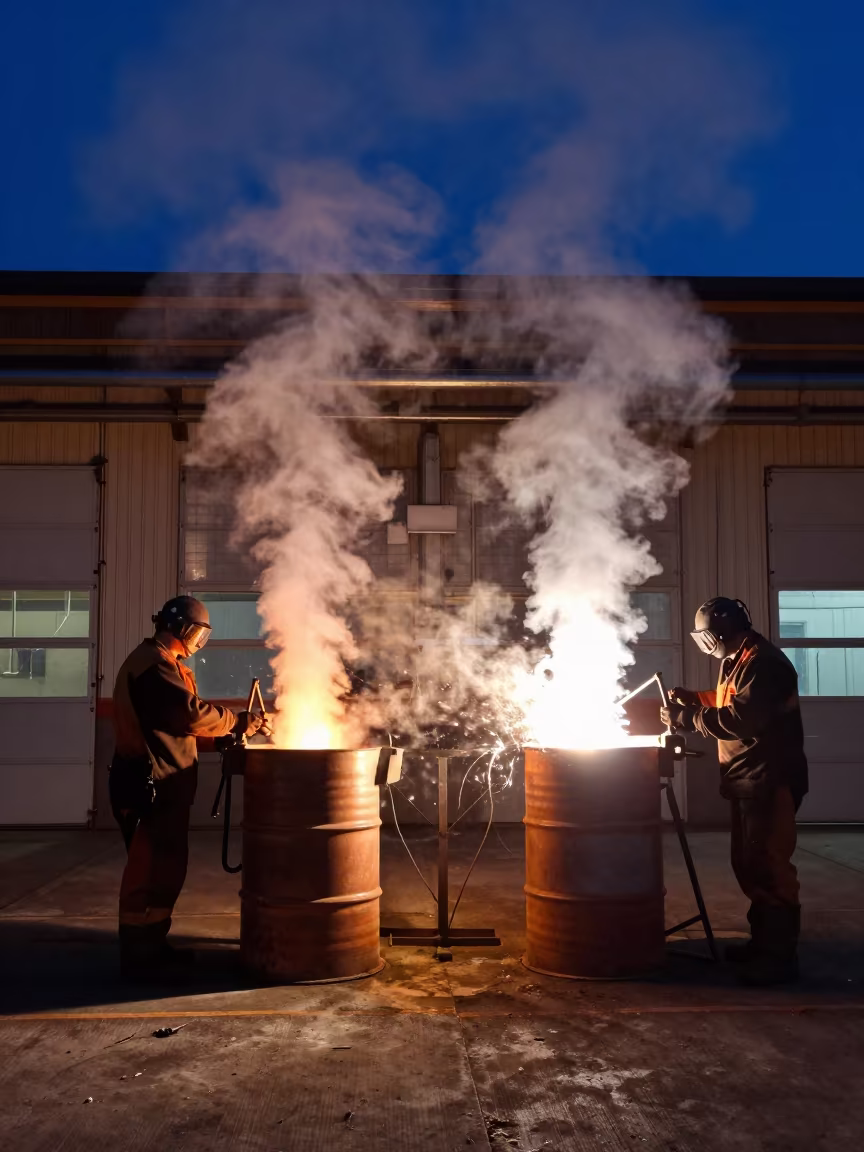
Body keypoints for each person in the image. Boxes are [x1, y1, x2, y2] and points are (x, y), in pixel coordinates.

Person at [110, 595, 266, 979]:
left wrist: (220, 737)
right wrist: (237, 721)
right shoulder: (153, 667)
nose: (200, 641)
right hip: (147, 785)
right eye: (198, 633)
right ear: (181, 628)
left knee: (166, 867)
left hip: (164, 785)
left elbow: (174, 725)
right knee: (147, 870)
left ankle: (153, 943)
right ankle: (136, 953)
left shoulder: (167, 666)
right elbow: (188, 714)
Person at [660, 597, 808, 987]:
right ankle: (763, 946)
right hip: (748, 779)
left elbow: (743, 718)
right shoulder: (740, 660)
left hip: (768, 780)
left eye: (706, 636)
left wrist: (688, 718)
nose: (706, 644)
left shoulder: (765, 663)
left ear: (721, 632)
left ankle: (778, 960)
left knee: (769, 867)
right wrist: (695, 700)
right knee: (749, 865)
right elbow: (730, 701)